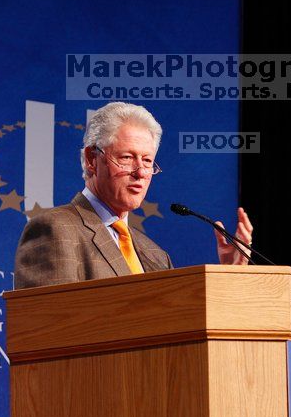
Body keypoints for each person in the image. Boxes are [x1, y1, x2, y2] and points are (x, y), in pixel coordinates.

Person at [14, 102, 253, 289]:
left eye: (147, 161)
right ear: (91, 160)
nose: (140, 172)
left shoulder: (156, 255)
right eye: (127, 158)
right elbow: (48, 333)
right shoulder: (56, 229)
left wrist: (230, 276)